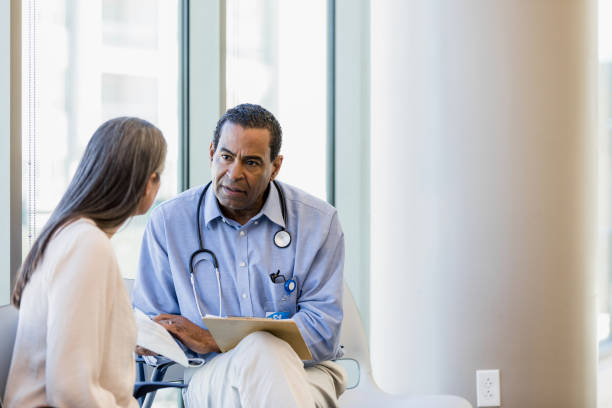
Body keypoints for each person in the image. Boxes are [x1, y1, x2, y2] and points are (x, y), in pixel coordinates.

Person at [132, 103, 347, 407]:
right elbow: (154, 326)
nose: (235, 173)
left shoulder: (318, 223)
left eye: (252, 162)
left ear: (276, 166)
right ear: (211, 153)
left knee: (265, 356)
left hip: (307, 372)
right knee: (261, 353)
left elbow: (323, 333)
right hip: (210, 374)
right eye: (226, 157)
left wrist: (215, 339)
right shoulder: (169, 222)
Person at [4, 117, 167, 408]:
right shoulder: (87, 244)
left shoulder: (70, 235)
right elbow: (71, 391)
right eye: (159, 175)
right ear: (148, 184)